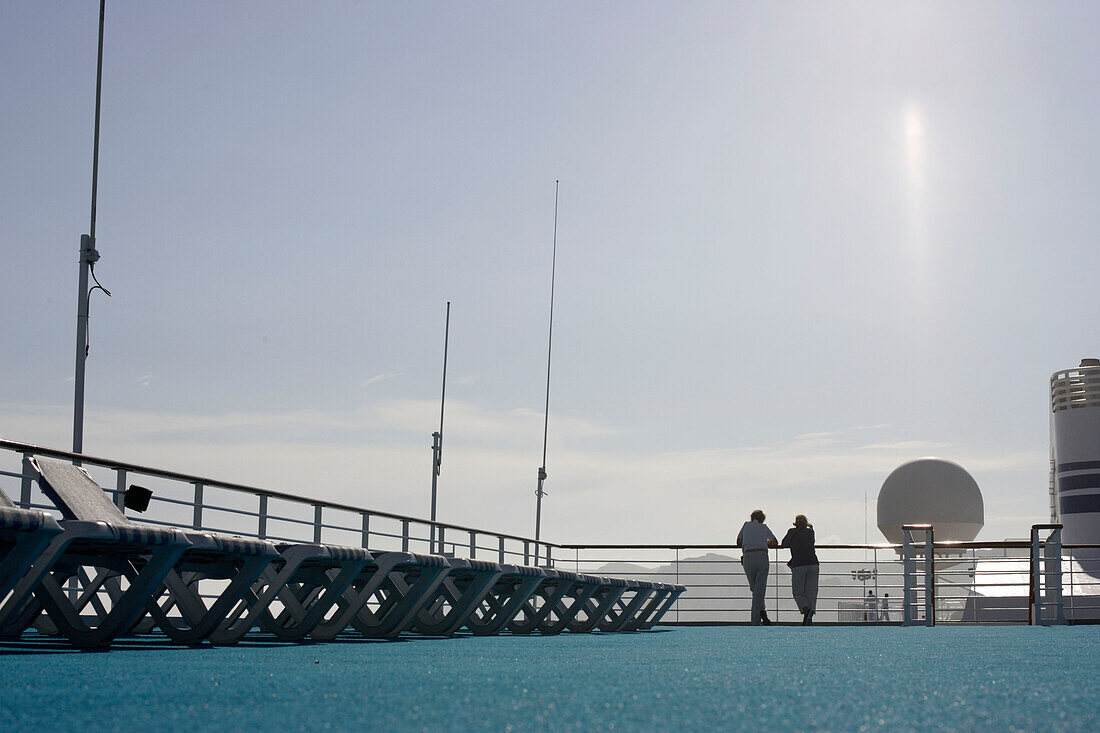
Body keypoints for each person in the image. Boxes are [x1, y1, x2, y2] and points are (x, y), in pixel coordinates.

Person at [736, 509, 777, 625]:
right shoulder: (764, 527)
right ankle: (757, 619)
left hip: (748, 556)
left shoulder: (745, 526)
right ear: (762, 518)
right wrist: (764, 542)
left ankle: (761, 614)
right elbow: (775, 542)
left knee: (755, 589)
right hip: (762, 556)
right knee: (759, 589)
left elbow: (738, 541)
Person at [780, 514, 820, 625]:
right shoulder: (811, 532)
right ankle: (810, 614)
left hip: (799, 564)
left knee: (798, 592)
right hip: (813, 563)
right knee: (811, 591)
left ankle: (805, 609)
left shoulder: (792, 532)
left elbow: (784, 544)